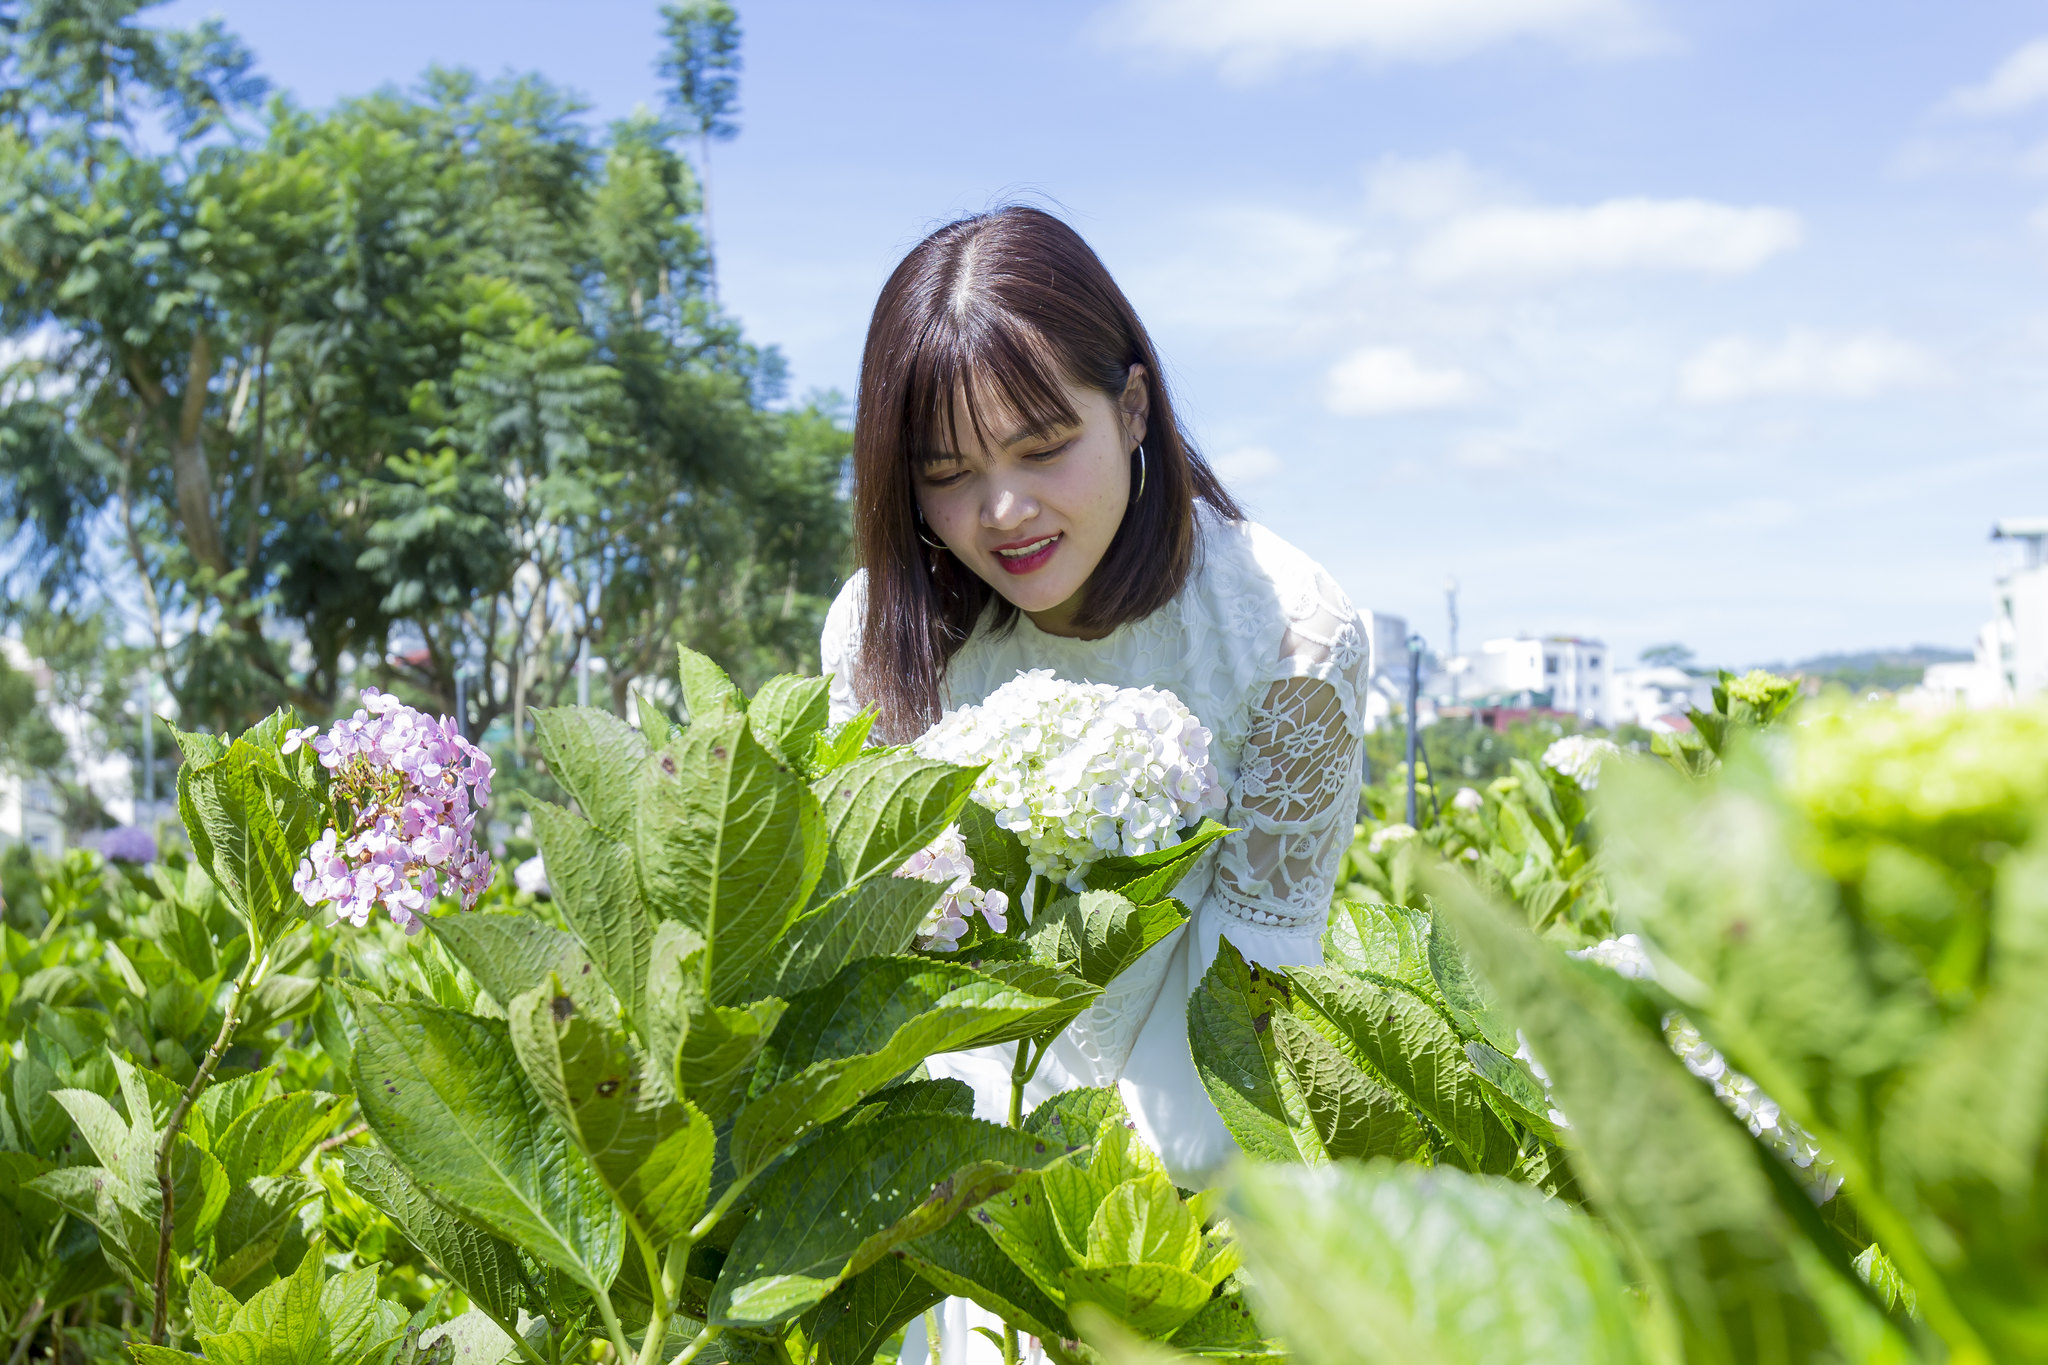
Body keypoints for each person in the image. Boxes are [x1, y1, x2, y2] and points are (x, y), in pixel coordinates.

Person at [818, 206, 1370, 1361]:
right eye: (946, 475)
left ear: (1129, 409)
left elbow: (1251, 979)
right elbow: (884, 959)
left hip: (1179, 1191)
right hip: (947, 1168)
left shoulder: (1287, 629)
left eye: (1038, 448)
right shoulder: (880, 634)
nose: (1001, 513)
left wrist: (1092, 1223)